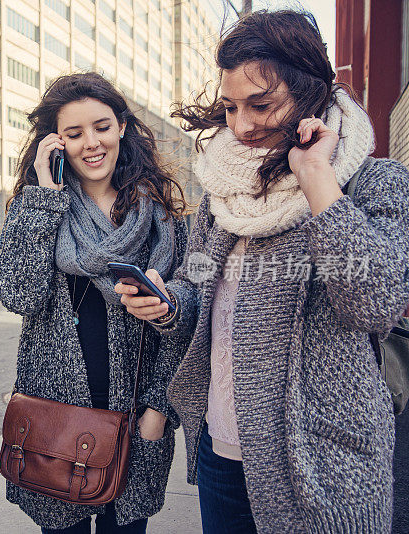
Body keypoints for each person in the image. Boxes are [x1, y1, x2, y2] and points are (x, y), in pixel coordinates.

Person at [117, 10, 409, 533]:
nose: (243, 126)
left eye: (262, 104)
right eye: (231, 107)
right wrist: (168, 302)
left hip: (322, 464)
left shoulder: (373, 184)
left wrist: (316, 176)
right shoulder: (223, 192)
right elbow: (198, 284)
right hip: (221, 453)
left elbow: (374, 304)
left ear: (310, 92)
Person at [0, 72, 190, 533]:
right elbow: (19, 294)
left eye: (101, 127)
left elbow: (185, 323)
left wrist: (159, 410)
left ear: (121, 126)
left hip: (136, 420)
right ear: (55, 144)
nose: (91, 144)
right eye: (74, 134)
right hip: (56, 419)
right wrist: (44, 195)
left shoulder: (159, 215)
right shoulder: (39, 207)